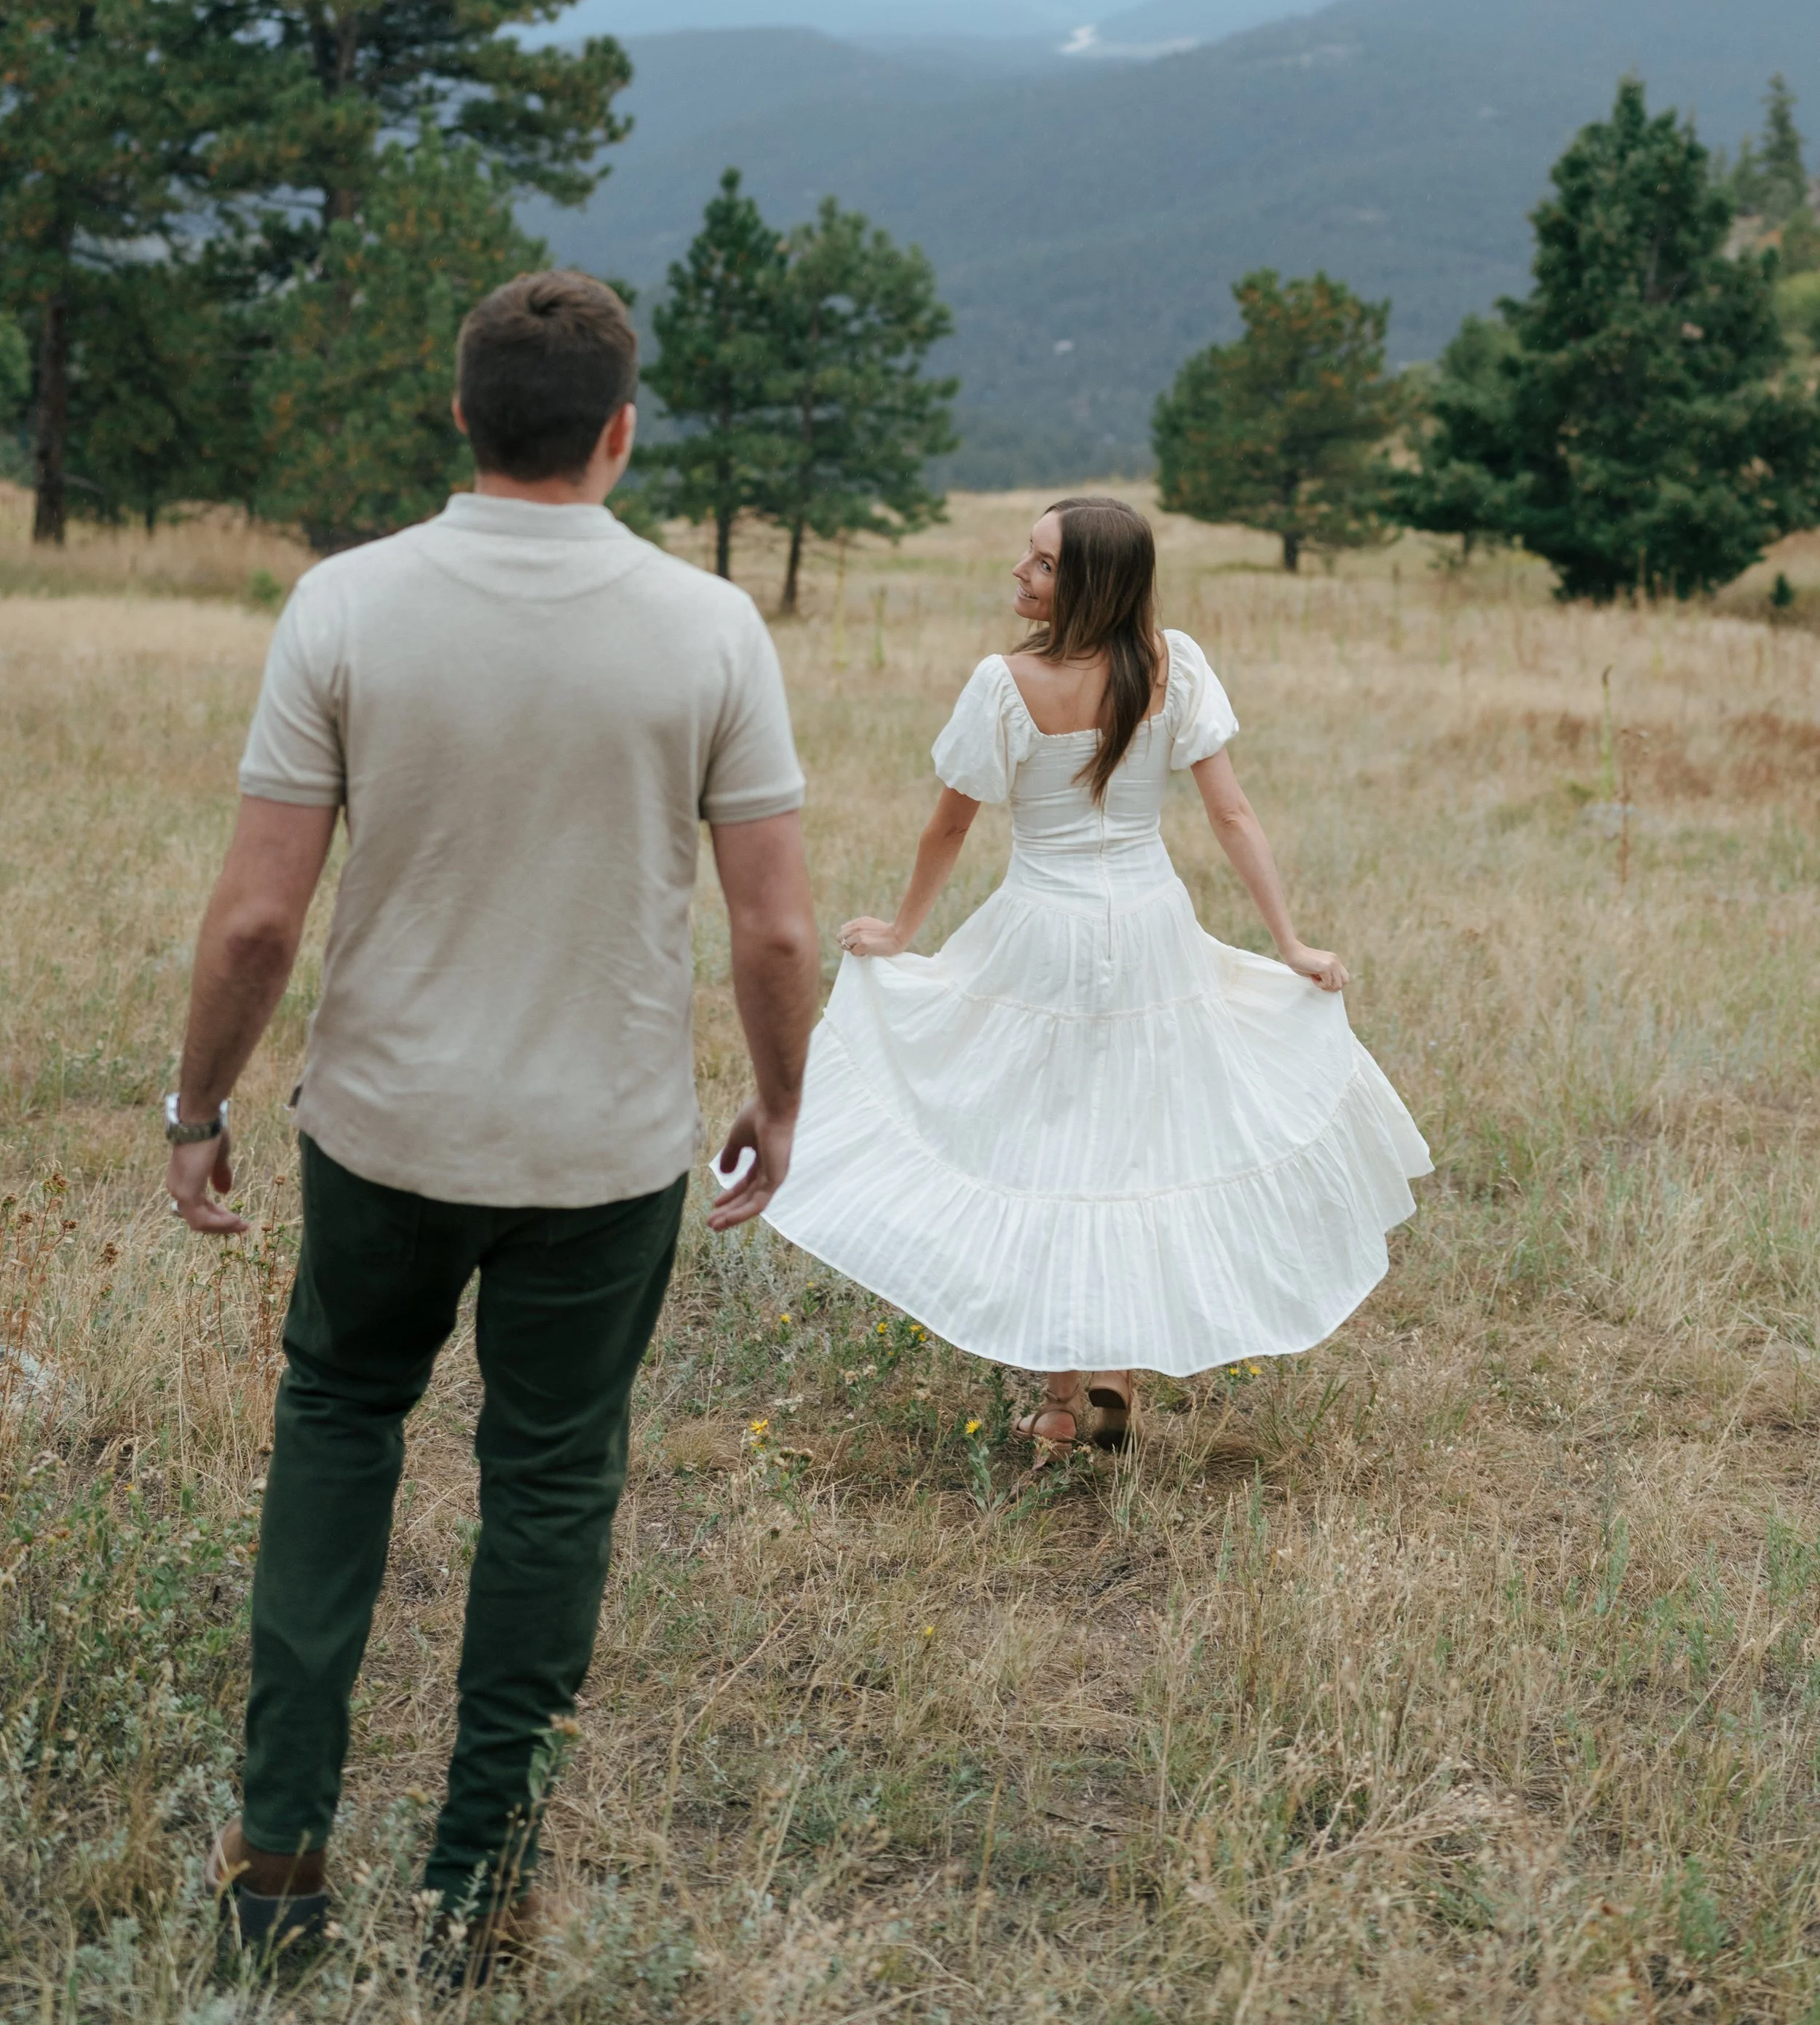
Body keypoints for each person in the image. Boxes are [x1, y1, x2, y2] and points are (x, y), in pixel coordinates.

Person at [162, 271, 819, 1964]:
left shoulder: (346, 606)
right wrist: (778, 1094)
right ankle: (479, 1889)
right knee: (546, 1487)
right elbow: (773, 926)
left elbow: (251, 920)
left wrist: (196, 1100)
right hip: (600, 1155)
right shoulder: (710, 627)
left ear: (460, 414)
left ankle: (278, 1866)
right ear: (617, 430)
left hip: (381, 1128)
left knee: (335, 1431)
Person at [758, 494, 1430, 1455]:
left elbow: (952, 823)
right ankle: (1112, 1370)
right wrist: (1288, 945)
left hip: (1043, 933)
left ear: (1089, 583)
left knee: (1049, 1139)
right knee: (1136, 1135)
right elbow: (1232, 817)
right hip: (1153, 928)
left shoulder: (1006, 684)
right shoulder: (1172, 666)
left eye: (1040, 564)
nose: (1020, 575)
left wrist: (906, 930)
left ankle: (1066, 1399)